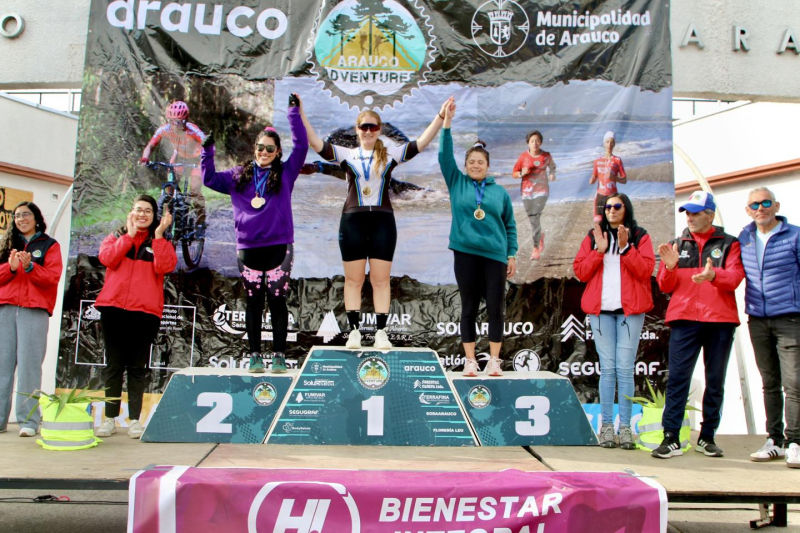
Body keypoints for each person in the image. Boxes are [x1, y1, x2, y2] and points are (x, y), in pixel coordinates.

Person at [301, 97, 452, 350]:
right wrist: (300, 113)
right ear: (357, 130)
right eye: (364, 127)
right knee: (354, 281)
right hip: (352, 222)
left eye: (373, 127)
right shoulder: (346, 155)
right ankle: (354, 333)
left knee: (380, 281)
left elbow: (421, 143)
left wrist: (440, 116)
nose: (368, 131)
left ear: (379, 130)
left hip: (383, 222)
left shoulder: (391, 155)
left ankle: (382, 333)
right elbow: (315, 142)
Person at [201, 93, 308, 373]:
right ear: (255, 148)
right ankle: (255, 357)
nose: (264, 152)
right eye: (260, 147)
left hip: (279, 247)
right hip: (248, 249)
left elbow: (302, 146)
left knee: (277, 301)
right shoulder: (237, 176)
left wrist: (293, 113)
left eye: (270, 149)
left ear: (278, 152)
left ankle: (279, 357)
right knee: (254, 302)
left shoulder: (286, 173)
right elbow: (208, 179)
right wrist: (207, 151)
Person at [653, 191, 744, 459]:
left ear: (710, 215)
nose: (690, 218)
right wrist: (670, 268)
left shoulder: (730, 243)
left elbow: (735, 277)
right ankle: (671, 437)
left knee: (715, 380)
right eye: (687, 213)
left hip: (720, 321)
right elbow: (664, 286)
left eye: (696, 213)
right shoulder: (676, 244)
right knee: (678, 379)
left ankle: (707, 437)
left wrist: (714, 275)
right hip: (684, 320)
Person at [438, 98, 518, 377]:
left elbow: (510, 225)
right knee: (469, 307)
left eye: (480, 162)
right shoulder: (456, 182)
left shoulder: (499, 192)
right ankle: (470, 360)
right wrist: (447, 123)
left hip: (495, 255)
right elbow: (444, 156)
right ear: (465, 165)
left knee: (496, 308)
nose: (475, 165)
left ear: (487, 165)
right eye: (471, 162)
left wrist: (511, 253)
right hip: (466, 253)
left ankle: (494, 360)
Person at [573, 193, 654, 449]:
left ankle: (626, 427)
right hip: (601, 313)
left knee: (625, 369)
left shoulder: (639, 235)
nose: (611, 210)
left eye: (617, 206)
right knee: (608, 369)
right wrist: (598, 251)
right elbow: (581, 272)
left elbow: (645, 271)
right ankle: (607, 426)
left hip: (630, 312)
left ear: (626, 209)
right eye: (607, 206)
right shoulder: (594, 236)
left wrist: (627, 248)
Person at [94, 195, 176, 439]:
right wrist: (129, 237)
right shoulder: (116, 237)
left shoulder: (160, 241)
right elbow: (107, 259)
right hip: (113, 310)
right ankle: (109, 419)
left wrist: (159, 235)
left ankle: (135, 421)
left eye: (148, 211)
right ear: (131, 213)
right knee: (114, 366)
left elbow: (165, 267)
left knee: (137, 368)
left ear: (154, 216)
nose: (142, 214)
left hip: (144, 313)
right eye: (138, 210)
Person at [738, 187, 800, 469]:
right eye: (754, 205)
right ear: (748, 210)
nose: (760, 208)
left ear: (776, 206)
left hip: (790, 319)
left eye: (765, 203)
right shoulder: (745, 237)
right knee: (769, 383)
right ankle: (774, 440)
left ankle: (795, 442)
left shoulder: (794, 235)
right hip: (758, 319)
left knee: (794, 384)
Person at [0, 202, 63, 437]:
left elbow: (52, 278)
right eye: (17, 215)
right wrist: (11, 268)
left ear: (36, 218)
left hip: (34, 310)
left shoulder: (49, 245)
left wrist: (30, 267)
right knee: (2, 366)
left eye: (26, 214)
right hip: (5, 309)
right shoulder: (6, 244)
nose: (21, 219)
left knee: (29, 366)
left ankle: (28, 421)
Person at [140, 101, 208, 236]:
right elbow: (151, 145)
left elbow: (208, 144)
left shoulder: (193, 130)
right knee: (170, 189)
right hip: (179, 159)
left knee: (195, 191)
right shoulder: (164, 129)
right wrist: (145, 158)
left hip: (196, 160)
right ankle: (170, 218)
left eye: (178, 122)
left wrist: (208, 158)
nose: (175, 125)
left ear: (185, 120)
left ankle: (200, 222)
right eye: (171, 121)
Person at [512, 130, 556, 260]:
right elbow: (514, 173)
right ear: (528, 143)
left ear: (541, 142)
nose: (535, 143)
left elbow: (552, 166)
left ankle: (535, 249)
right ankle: (540, 236)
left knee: (536, 215)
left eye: (537, 140)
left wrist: (552, 174)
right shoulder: (523, 157)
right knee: (533, 218)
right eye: (532, 141)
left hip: (542, 190)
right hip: (526, 191)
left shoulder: (546, 155)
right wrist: (522, 173)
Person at [589, 131, 626, 223]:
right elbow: (594, 176)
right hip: (600, 195)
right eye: (607, 142)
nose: (609, 145)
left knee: (613, 221)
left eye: (612, 142)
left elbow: (624, 179)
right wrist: (592, 180)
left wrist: (614, 178)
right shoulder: (597, 161)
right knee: (598, 220)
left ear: (614, 144)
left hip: (612, 195)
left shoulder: (617, 160)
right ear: (604, 143)